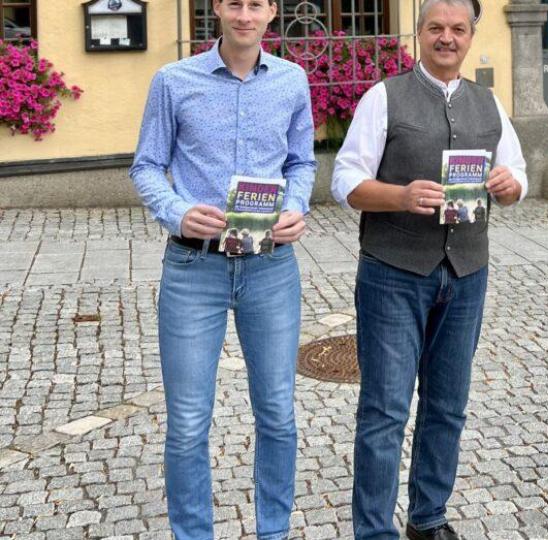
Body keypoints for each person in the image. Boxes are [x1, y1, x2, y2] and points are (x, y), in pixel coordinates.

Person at [330, 0, 527, 538]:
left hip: (466, 271)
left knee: (446, 405)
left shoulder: (489, 102)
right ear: (419, 34)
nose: (447, 37)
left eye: (457, 29)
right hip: (394, 270)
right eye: (436, 27)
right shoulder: (383, 96)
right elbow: (344, 181)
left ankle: (428, 518)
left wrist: (512, 187)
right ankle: (374, 531)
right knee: (385, 411)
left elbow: (517, 175)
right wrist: (398, 195)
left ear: (470, 36)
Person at [128, 0, 316, 538]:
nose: (244, 14)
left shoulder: (292, 80)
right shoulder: (173, 80)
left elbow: (301, 161)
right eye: (234, 2)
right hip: (194, 268)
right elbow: (146, 165)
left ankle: (273, 531)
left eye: (256, 4)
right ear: (217, 7)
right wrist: (176, 211)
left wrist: (297, 205)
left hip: (271, 267)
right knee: (188, 423)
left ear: (272, 12)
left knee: (277, 414)